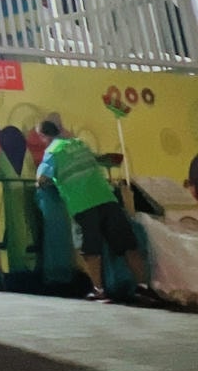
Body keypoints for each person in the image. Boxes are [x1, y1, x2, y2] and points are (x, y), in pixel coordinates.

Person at [35, 116, 155, 303]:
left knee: (91, 250)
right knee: (128, 245)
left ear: (43, 136)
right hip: (107, 199)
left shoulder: (52, 152)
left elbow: (41, 180)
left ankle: (99, 290)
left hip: (83, 204)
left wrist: (48, 182)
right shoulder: (80, 144)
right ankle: (143, 288)